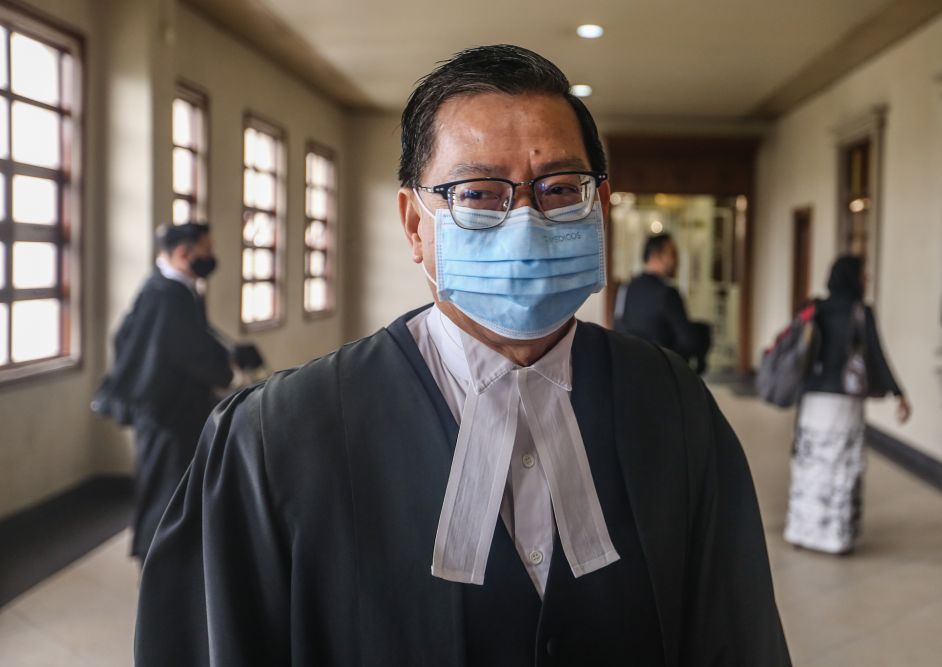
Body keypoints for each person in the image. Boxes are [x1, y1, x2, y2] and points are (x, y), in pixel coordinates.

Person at [135, 45, 790, 666]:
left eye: (560, 188)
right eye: (477, 193)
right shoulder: (276, 437)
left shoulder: (672, 404)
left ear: (601, 208)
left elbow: (736, 637)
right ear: (415, 225)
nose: (526, 221)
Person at [93, 223, 234, 563]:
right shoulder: (166, 294)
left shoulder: (167, 288)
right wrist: (224, 367)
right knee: (165, 493)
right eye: (206, 250)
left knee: (171, 489)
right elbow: (187, 351)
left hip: (172, 411)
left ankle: (167, 563)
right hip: (166, 415)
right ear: (184, 253)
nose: (211, 257)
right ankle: (157, 567)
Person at [784, 255, 911, 555]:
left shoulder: (814, 307)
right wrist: (898, 393)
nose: (867, 279)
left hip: (813, 400)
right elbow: (876, 355)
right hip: (844, 403)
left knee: (810, 466)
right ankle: (835, 538)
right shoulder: (860, 311)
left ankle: (801, 531)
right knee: (840, 468)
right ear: (853, 277)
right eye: (863, 274)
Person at [616, 233, 710, 372]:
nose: (676, 260)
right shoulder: (667, 294)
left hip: (630, 369)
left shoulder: (627, 288)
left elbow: (618, 326)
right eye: (672, 254)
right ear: (655, 255)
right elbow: (688, 340)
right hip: (663, 372)